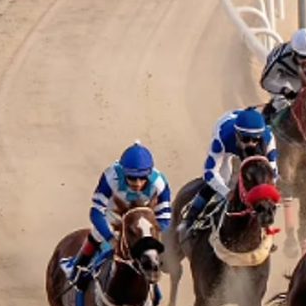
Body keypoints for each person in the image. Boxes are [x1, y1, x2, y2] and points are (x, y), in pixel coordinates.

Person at [64, 142, 172, 291]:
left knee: (153, 252)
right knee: (97, 234)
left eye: (142, 178)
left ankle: (154, 288)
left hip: (143, 219)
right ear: (123, 172)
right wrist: (111, 239)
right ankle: (77, 268)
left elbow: (164, 218)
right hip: (114, 214)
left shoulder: (160, 183)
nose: (137, 183)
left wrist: (151, 239)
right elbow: (96, 212)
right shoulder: (111, 176)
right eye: (132, 178)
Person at [176, 108, 277, 241]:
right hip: (226, 134)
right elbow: (209, 173)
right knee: (224, 178)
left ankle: (266, 229)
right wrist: (226, 192)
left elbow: (273, 174)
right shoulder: (223, 137)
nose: (251, 144)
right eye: (246, 139)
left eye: (255, 139)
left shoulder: (268, 138)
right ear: (237, 135)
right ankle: (190, 219)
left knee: (261, 181)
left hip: (247, 136)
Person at [259, 28, 306, 121]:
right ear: (293, 53)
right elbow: (266, 81)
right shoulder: (281, 59)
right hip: (282, 75)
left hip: (302, 77)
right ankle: (267, 117)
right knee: (281, 102)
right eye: (303, 57)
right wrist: (285, 90)